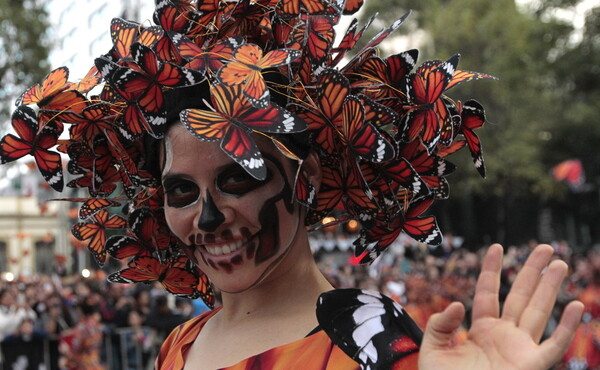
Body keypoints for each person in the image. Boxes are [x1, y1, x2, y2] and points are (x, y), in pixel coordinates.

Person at [0, 0, 584, 368]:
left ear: (303, 178)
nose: (207, 219)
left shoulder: (374, 342)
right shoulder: (179, 345)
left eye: (239, 178)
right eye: (181, 191)